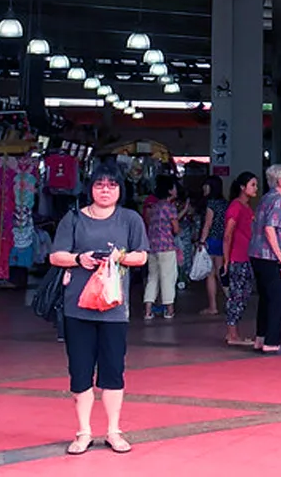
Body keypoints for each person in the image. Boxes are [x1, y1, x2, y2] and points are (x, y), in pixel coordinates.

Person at [49, 162, 149, 455]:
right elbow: (56, 256)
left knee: (113, 371)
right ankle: (83, 432)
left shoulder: (130, 219)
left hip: (114, 309)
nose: (105, 190)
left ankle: (114, 431)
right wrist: (80, 259)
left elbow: (142, 257)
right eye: (99, 185)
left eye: (112, 185)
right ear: (90, 188)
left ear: (120, 189)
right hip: (77, 308)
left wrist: (119, 257)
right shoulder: (73, 220)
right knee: (80, 371)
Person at [249, 164, 281, 354]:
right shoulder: (277, 200)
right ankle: (272, 342)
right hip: (269, 257)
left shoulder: (265, 198)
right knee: (277, 299)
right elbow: (270, 228)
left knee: (266, 298)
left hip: (257, 254)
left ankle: (260, 338)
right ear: (279, 181)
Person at [222, 172, 259, 346]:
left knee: (243, 295)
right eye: (252, 185)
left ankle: (234, 332)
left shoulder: (247, 207)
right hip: (238, 257)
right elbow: (228, 235)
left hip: (246, 256)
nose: (256, 188)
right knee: (236, 295)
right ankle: (232, 333)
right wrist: (226, 260)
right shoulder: (236, 207)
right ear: (243, 187)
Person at [143, 176, 180, 321]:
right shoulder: (170, 207)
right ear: (170, 191)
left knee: (152, 278)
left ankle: (148, 311)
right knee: (168, 278)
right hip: (167, 247)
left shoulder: (154, 207)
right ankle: (169, 311)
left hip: (152, 247)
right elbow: (176, 229)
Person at [196, 176, 228, 317]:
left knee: (210, 275)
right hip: (223, 241)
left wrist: (202, 241)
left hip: (211, 241)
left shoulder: (211, 204)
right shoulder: (225, 203)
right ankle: (232, 301)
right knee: (221, 273)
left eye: (206, 186)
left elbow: (207, 225)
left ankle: (213, 307)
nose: (204, 188)